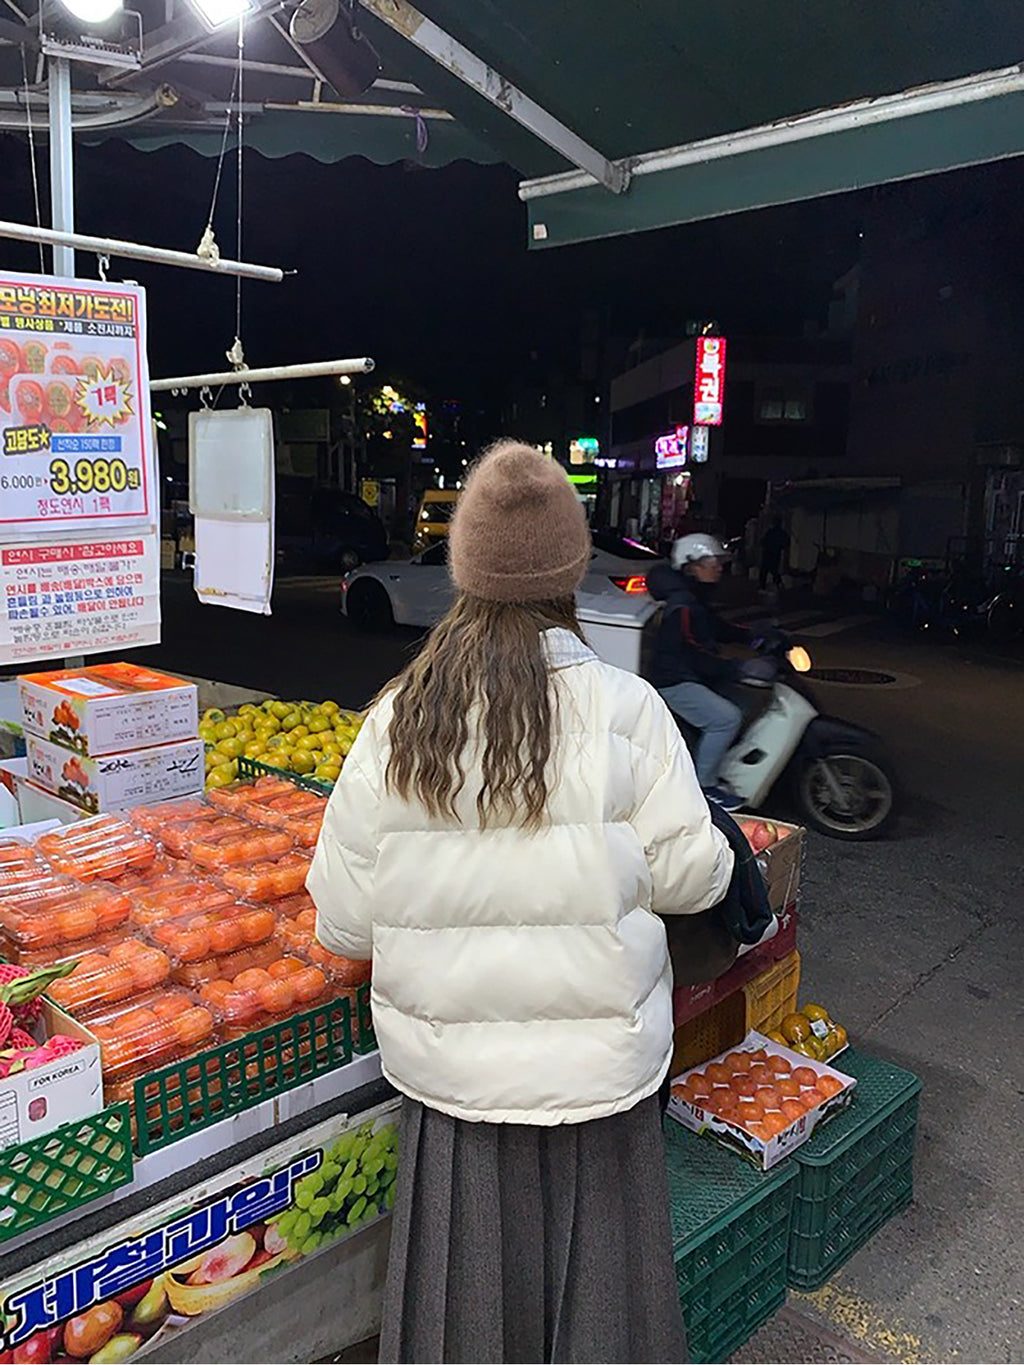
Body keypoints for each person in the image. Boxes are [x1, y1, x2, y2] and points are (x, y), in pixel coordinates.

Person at [309, 441, 734, 1365]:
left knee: (468, 1326)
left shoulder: (398, 718)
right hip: (600, 1087)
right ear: (567, 574)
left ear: (465, 572)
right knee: (603, 1327)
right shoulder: (627, 708)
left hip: (458, 1096)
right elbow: (695, 878)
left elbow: (341, 921)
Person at [648, 534, 774, 809]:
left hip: (692, 675)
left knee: (743, 703)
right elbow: (693, 653)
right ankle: (703, 787)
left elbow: (718, 628)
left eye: (719, 562)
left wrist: (756, 636)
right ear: (691, 565)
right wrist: (736, 667)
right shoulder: (682, 605)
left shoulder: (694, 598)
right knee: (725, 718)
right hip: (674, 681)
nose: (718, 567)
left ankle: (717, 762)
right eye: (711, 562)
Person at [759, 515, 790, 591]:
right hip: (776, 554)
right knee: (774, 570)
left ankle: (763, 586)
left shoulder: (771, 532)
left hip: (768, 553)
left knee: (765, 570)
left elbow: (763, 542)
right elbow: (786, 543)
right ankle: (778, 584)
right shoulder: (781, 533)